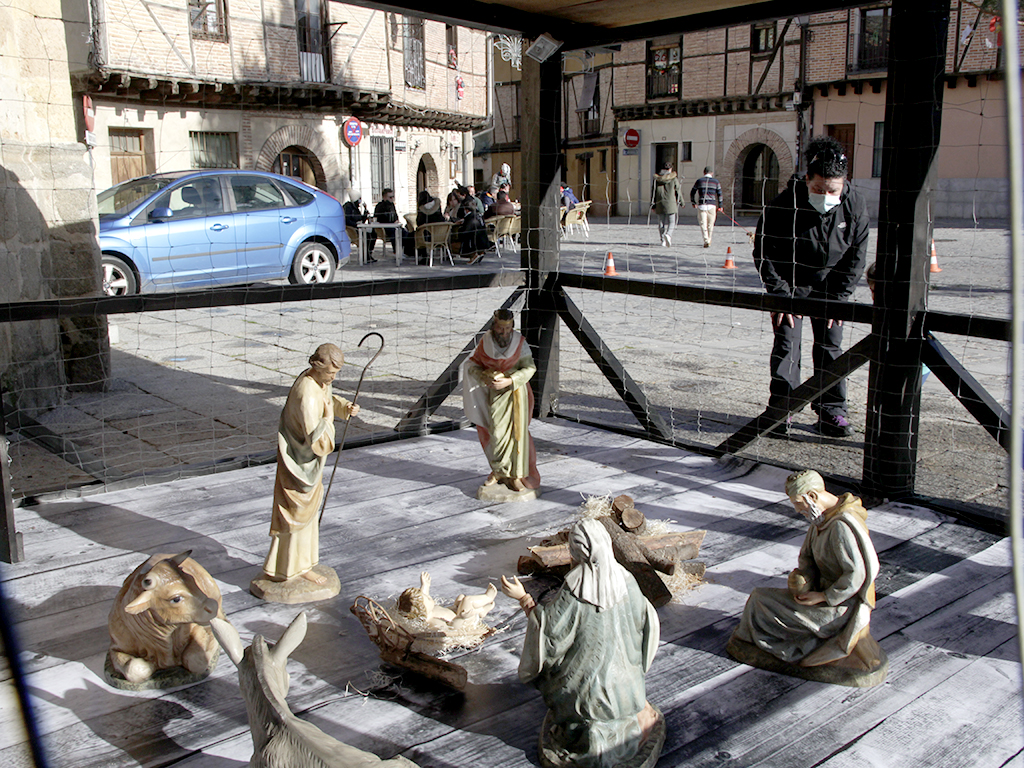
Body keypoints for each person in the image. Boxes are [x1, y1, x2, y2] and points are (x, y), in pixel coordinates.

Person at [501, 519, 662, 768]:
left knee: (558, 679)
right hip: (627, 693)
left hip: (582, 701)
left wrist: (523, 597)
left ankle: (584, 730)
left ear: (577, 551)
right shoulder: (626, 579)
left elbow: (549, 636)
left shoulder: (576, 587)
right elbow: (647, 622)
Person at [753, 136, 869, 437]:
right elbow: (764, 252)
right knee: (787, 341)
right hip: (791, 283)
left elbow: (857, 253)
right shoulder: (783, 204)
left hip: (832, 283)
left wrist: (839, 296)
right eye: (819, 189)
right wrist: (780, 295)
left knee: (831, 342)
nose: (826, 195)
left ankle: (832, 410)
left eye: (833, 190)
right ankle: (783, 408)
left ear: (844, 183)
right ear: (807, 179)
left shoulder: (854, 204)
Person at [730, 469, 883, 672]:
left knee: (760, 601)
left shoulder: (841, 527)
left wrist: (823, 596)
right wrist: (803, 578)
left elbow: (857, 575)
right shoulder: (821, 520)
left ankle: (765, 645)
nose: (796, 509)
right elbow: (807, 558)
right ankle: (753, 642)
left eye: (797, 503)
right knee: (760, 598)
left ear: (812, 496)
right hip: (818, 593)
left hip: (841, 608)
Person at [262, 344, 360, 584]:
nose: (333, 378)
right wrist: (329, 418)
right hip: (300, 464)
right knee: (297, 515)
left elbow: (327, 398)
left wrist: (344, 407)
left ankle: (301, 565)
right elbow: (318, 441)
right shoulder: (306, 394)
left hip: (306, 463)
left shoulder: (318, 382)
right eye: (331, 373)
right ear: (317, 367)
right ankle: (289, 568)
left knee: (306, 516)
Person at [461, 309, 540, 492]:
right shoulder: (486, 342)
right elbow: (472, 364)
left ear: (512, 326)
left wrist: (510, 380)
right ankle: (498, 471)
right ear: (493, 326)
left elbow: (530, 368)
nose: (504, 333)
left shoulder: (520, 343)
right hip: (495, 396)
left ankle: (517, 476)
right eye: (500, 328)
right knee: (495, 432)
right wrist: (484, 376)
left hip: (516, 394)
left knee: (517, 435)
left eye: (508, 328)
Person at [397, 571, 497, 631]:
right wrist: (460, 618)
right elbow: (452, 629)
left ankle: (481, 611)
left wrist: (425, 586)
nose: (429, 597)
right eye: (427, 598)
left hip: (456, 611)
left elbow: (423, 599)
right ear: (423, 609)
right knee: (467, 600)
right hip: (464, 621)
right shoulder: (433, 622)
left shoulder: (426, 610)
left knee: (461, 597)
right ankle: (488, 597)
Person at [690, 166, 724, 248]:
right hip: (712, 205)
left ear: (704, 172)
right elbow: (720, 194)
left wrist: (693, 202)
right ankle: (709, 239)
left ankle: (706, 240)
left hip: (702, 205)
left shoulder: (699, 181)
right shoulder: (716, 182)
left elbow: (692, 192)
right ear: (712, 173)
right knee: (710, 224)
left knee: (703, 224)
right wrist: (720, 206)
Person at [652, 162, 683, 247]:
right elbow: (678, 191)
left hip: (659, 202)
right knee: (672, 222)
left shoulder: (657, 179)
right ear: (670, 169)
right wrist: (681, 202)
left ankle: (662, 240)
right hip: (671, 203)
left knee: (661, 223)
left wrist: (653, 204)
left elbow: (653, 192)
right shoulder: (674, 179)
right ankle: (668, 235)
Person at [343, 193, 375, 263]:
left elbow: (361, 219)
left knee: (373, 234)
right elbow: (347, 220)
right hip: (353, 229)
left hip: (360, 228)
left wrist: (365, 214)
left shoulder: (356, 208)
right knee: (367, 236)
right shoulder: (348, 207)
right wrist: (356, 224)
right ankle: (365, 256)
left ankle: (368, 254)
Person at [371, 188, 399, 255]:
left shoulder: (392, 205)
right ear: (384, 197)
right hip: (384, 228)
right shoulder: (380, 206)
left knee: (406, 233)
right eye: (390, 197)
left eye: (393, 197)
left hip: (393, 226)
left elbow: (395, 216)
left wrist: (396, 221)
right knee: (394, 233)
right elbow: (378, 218)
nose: (392, 199)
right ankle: (396, 252)